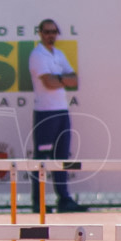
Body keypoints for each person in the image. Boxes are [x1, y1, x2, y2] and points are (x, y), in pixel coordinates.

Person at [28, 19, 85, 213]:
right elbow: (48, 83)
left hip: (62, 111)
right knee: (42, 159)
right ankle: (39, 202)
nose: (50, 35)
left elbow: (75, 79)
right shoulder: (37, 55)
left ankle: (64, 199)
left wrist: (58, 79)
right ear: (40, 33)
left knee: (62, 157)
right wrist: (63, 79)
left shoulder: (58, 54)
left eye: (53, 32)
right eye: (46, 32)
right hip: (45, 113)